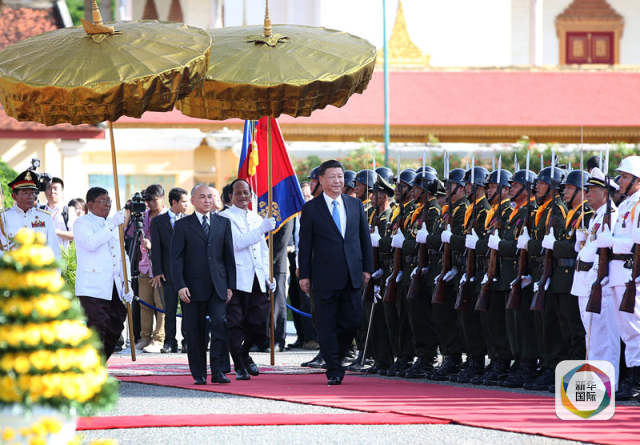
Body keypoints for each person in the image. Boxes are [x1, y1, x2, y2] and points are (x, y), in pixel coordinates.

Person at [298, 160, 373, 385]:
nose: (337, 181)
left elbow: (364, 239)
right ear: (321, 180)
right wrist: (304, 275)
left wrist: (367, 268)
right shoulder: (311, 209)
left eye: (340, 176)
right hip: (323, 276)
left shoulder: (355, 205)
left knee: (352, 321)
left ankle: (337, 356)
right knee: (326, 323)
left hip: (352, 274)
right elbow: (305, 245)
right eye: (332, 177)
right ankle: (333, 367)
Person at [172, 184, 236, 385]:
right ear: (192, 201)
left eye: (210, 196)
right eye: (202, 196)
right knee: (195, 331)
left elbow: (229, 257)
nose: (207, 200)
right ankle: (198, 373)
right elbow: (176, 259)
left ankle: (218, 370)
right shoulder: (183, 225)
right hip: (192, 288)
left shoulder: (223, 223)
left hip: (218, 285)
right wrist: (180, 285)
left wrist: (230, 285)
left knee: (220, 325)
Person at [220, 179, 277, 379]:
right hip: (236, 279)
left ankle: (244, 354)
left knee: (259, 323)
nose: (243, 197)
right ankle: (239, 364)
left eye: (246, 193)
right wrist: (261, 229)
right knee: (235, 323)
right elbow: (236, 244)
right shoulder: (224, 218)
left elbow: (263, 250)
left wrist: (269, 275)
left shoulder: (256, 218)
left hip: (257, 278)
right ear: (230, 196)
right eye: (238, 193)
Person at [74, 187, 132, 359]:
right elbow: (91, 243)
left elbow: (122, 255)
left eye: (109, 201)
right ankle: (93, 367)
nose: (107, 204)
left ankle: (98, 363)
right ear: (90, 204)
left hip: (113, 285)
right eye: (102, 201)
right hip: (92, 286)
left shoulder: (113, 224)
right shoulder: (82, 223)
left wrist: (127, 282)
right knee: (97, 327)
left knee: (115, 325)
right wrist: (112, 224)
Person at [151, 187, 189, 353]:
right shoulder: (158, 222)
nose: (187, 205)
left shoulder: (189, 220)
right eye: (184, 202)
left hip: (187, 274)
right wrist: (157, 271)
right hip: (168, 273)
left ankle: (187, 341)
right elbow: (156, 249)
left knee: (188, 309)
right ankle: (170, 342)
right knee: (170, 309)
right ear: (174, 202)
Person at [0, 169, 60, 260]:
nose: (31, 196)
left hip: (39, 267)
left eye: (32, 193)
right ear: (14, 196)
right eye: (25, 193)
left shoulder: (45, 217)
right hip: (12, 267)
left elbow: (54, 249)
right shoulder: (3, 217)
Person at [136, 184, 166, 353]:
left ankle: (159, 339)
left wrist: (152, 245)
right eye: (148, 200)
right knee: (145, 304)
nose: (150, 203)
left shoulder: (167, 217)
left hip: (160, 268)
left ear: (162, 198)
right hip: (144, 266)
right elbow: (129, 234)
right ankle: (145, 337)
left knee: (160, 305)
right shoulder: (144, 215)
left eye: (154, 200)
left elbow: (171, 244)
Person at [41, 177, 74, 248]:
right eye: (49, 188)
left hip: (62, 253)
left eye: (55, 188)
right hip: (42, 253)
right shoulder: (39, 211)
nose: (52, 191)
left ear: (61, 192)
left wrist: (56, 231)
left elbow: (75, 235)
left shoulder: (69, 211)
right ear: (45, 191)